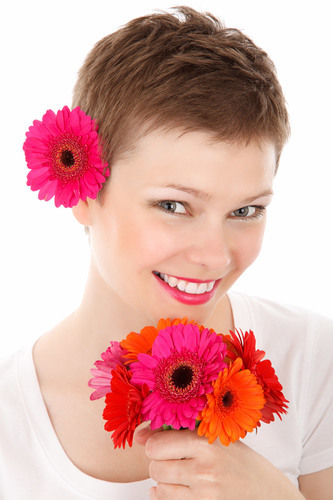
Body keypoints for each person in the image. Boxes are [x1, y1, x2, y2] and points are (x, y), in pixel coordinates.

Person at [0, 6, 332, 499]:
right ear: (85, 191)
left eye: (246, 211)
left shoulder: (311, 359)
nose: (215, 256)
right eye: (174, 205)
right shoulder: (11, 422)